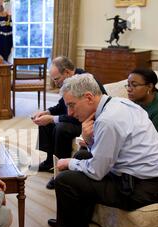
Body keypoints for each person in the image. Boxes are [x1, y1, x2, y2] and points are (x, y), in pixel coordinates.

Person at [48, 74, 158, 227]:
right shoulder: (117, 104)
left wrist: (69, 162)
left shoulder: (108, 120)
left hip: (140, 189)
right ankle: (69, 220)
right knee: (82, 154)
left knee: (65, 180)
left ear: (89, 97)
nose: (70, 113)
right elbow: (105, 153)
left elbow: (96, 172)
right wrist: (89, 141)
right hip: (143, 177)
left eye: (71, 105)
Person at [31, 56, 106, 189]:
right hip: (78, 118)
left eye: (56, 79)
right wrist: (47, 112)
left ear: (66, 72)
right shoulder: (70, 82)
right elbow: (62, 106)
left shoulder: (84, 81)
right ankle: (50, 161)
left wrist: (52, 118)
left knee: (61, 128)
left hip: (89, 121)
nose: (55, 83)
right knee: (46, 122)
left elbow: (76, 114)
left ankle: (61, 172)